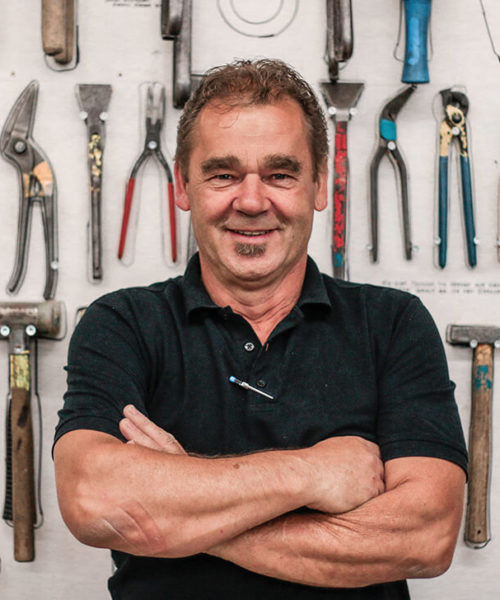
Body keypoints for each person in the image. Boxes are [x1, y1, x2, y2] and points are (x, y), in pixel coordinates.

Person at [53, 59, 467, 600]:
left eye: (280, 174)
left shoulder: (393, 325)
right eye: (223, 174)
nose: (251, 202)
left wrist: (178, 505)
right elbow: (93, 500)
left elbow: (425, 537)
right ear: (183, 185)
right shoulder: (123, 324)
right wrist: (310, 473)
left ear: (319, 183)